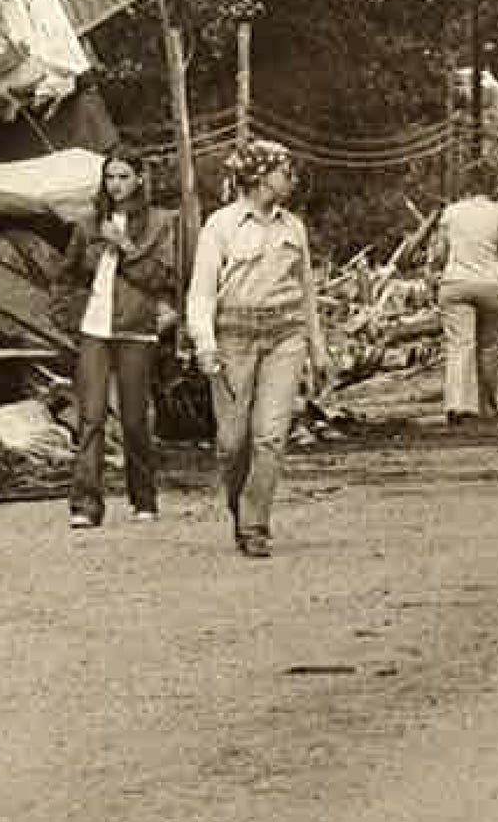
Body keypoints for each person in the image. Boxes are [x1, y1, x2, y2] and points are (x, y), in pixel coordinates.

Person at [185, 139, 329, 558]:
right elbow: (201, 294)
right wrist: (205, 345)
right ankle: (241, 508)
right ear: (260, 176)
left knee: (270, 435)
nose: (291, 178)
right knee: (232, 443)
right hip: (233, 337)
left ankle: (255, 524)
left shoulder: (294, 227)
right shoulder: (221, 226)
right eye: (284, 170)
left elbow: (307, 293)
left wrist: (318, 347)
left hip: (285, 335)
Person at [54, 150, 177, 529]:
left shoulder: (159, 224)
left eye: (124, 176)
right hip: (93, 329)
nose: (116, 184)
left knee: (134, 419)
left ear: (139, 179)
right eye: (110, 177)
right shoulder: (88, 223)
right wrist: (68, 317)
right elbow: (65, 276)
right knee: (90, 418)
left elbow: (162, 279)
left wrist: (125, 248)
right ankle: (85, 506)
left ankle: (144, 499)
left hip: (135, 330)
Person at [429, 164, 498, 423]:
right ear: (492, 186)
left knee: (460, 345)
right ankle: (487, 405)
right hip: (493, 284)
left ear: (467, 185)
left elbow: (439, 251)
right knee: (489, 347)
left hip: (456, 283)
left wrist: (433, 272)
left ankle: (457, 403)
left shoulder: (451, 213)